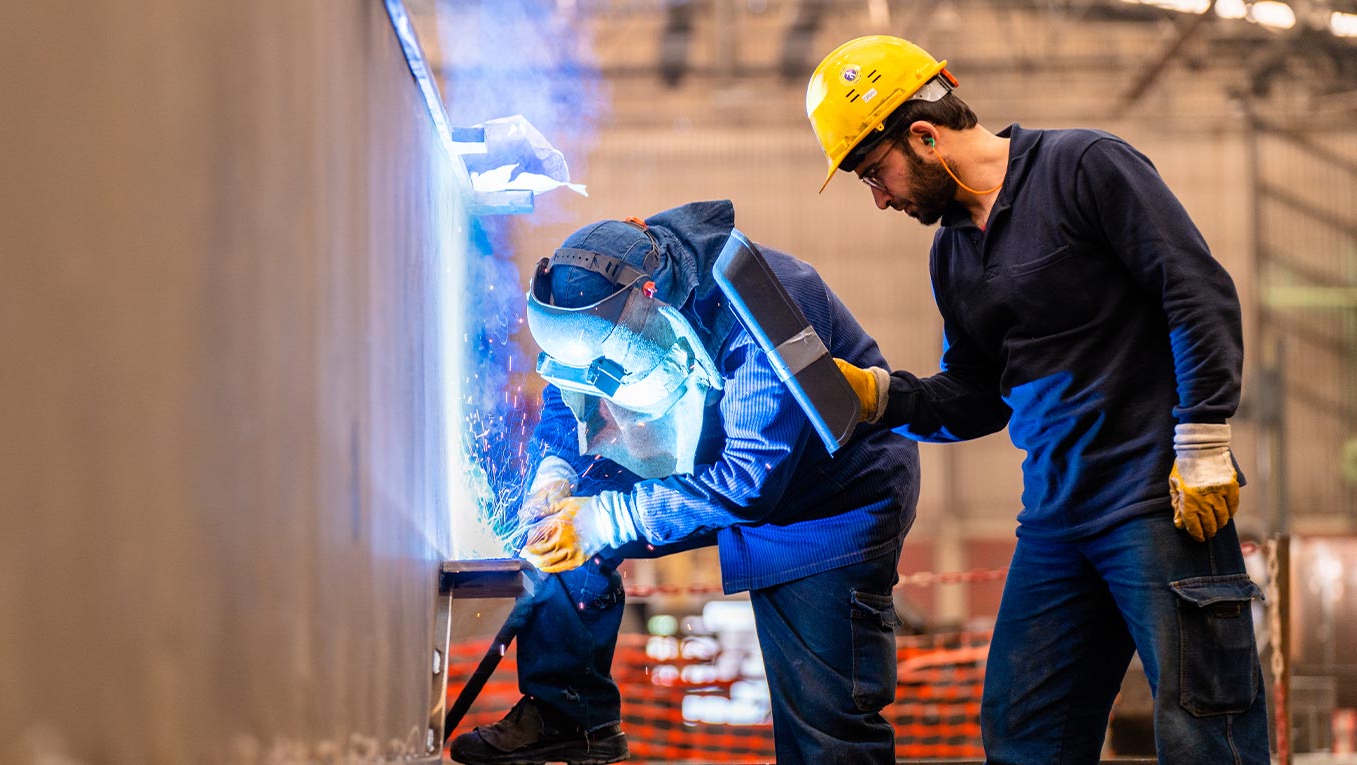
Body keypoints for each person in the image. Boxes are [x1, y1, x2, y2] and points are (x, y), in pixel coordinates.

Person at [805, 35, 1269, 765]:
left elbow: (1194, 291)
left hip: (1159, 502)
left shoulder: (1084, 167)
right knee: (1024, 732)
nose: (881, 197)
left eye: (875, 173)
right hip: (1056, 521)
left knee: (1205, 727)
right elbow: (977, 395)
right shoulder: (953, 253)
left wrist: (1204, 440)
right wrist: (879, 396)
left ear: (924, 136)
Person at [448, 200, 921, 765]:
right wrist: (555, 472)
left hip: (827, 508)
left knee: (823, 728)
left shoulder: (760, 307)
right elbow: (569, 391)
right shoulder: (608, 297)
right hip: (709, 456)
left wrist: (605, 519)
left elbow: (749, 481)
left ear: (649, 299)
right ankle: (567, 713)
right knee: (563, 519)